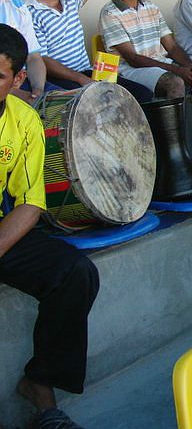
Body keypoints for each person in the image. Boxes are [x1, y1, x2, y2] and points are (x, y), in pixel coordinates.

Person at [0, 24, 99, 429]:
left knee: (75, 272)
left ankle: (40, 387)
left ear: (18, 79)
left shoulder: (24, 119)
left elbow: (29, 203)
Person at [27, 0, 153, 102]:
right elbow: (43, 60)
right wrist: (80, 78)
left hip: (88, 73)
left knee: (142, 95)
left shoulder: (69, 0)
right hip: (60, 80)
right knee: (107, 105)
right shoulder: (30, 13)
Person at [0, 0, 47, 101]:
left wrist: (38, 91)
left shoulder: (17, 6)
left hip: (22, 82)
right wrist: (15, 94)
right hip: (6, 88)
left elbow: (33, 56)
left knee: (66, 107)